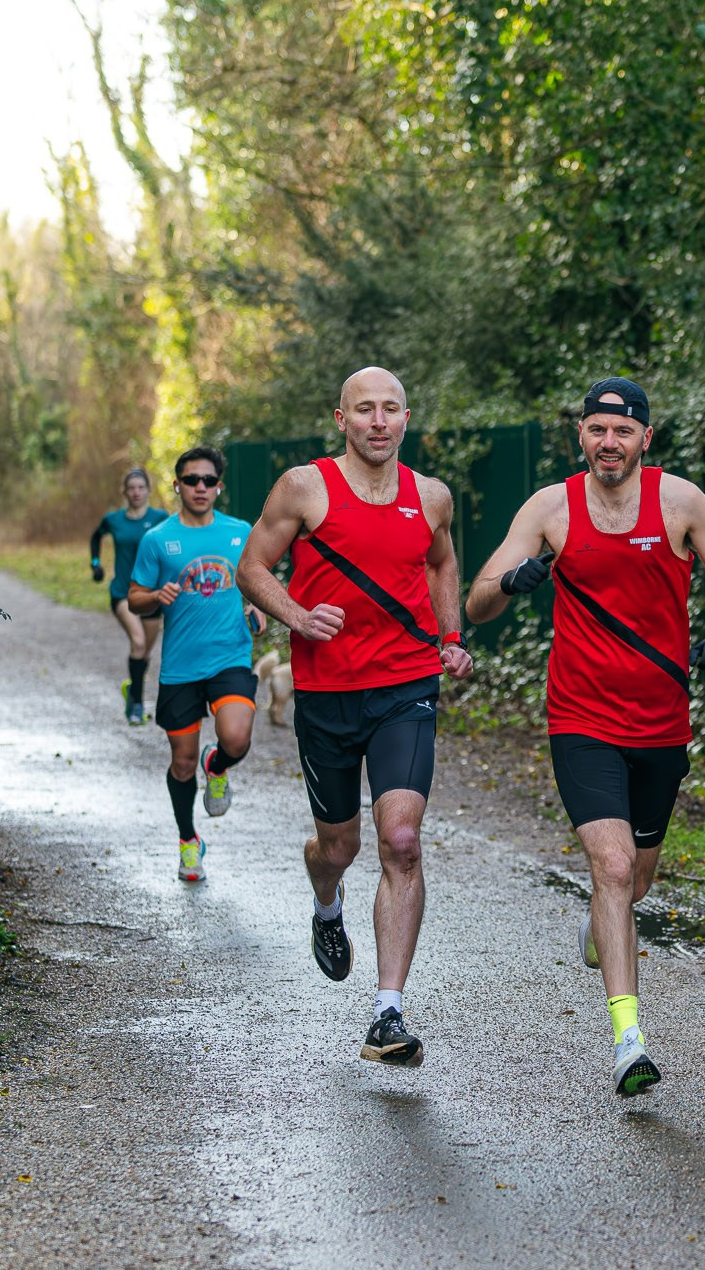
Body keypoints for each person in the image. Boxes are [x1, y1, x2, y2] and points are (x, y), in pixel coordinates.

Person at [465, 377, 705, 1097]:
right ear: (582, 436)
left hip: (660, 722)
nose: (608, 443)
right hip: (581, 718)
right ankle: (629, 1040)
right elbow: (476, 600)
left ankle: (607, 920)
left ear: (645, 438)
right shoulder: (551, 507)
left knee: (637, 877)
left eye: (622, 432)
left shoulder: (681, 501)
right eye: (596, 430)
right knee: (615, 866)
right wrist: (515, 580)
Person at [237, 367, 472, 1069]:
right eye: (364, 409)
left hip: (405, 684)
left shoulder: (431, 495)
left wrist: (452, 638)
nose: (378, 421)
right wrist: (299, 616)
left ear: (406, 418)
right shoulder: (304, 487)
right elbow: (252, 566)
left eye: (390, 409)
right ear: (340, 418)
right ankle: (327, 900)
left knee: (401, 838)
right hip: (328, 692)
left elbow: (442, 562)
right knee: (336, 846)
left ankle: (387, 1011)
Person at [126, 448, 266, 884]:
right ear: (177, 485)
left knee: (237, 738)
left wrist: (257, 606)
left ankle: (219, 765)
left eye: (208, 480)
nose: (200, 487)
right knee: (182, 763)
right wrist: (155, 597)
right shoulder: (157, 539)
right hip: (181, 668)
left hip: (229, 656)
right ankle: (189, 841)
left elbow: (260, 578)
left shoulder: (240, 533)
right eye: (191, 480)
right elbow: (134, 596)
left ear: (219, 485)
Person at [90, 468, 171, 724]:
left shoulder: (161, 518)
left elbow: (173, 547)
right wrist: (95, 562)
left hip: (152, 595)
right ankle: (137, 704)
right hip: (123, 593)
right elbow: (96, 536)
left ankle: (131, 688)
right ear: (124, 492)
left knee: (144, 652)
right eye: (131, 488)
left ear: (148, 490)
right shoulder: (114, 519)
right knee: (137, 643)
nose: (136, 492)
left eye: (141, 487)